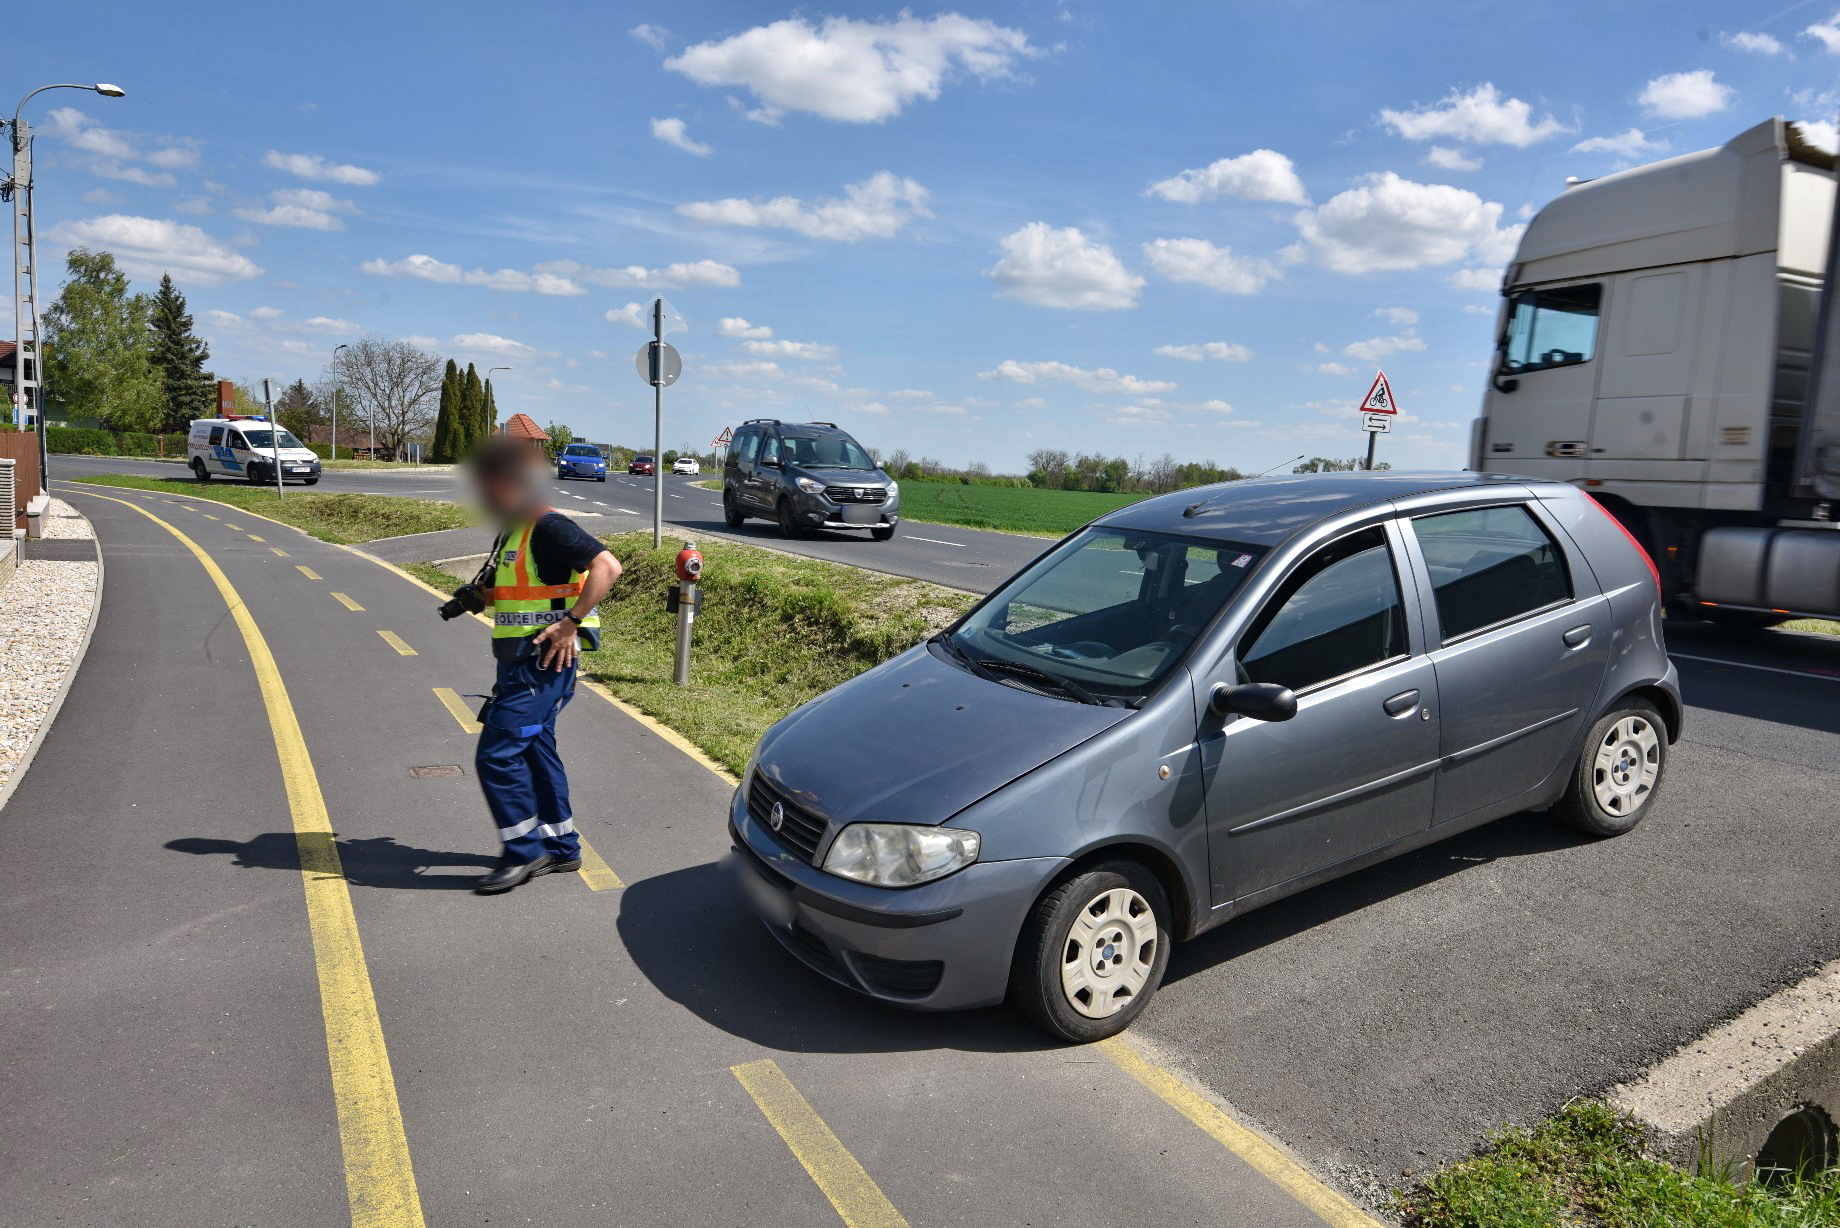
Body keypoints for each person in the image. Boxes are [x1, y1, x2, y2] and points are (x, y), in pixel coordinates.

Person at [466, 436, 622, 893]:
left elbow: (607, 567)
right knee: (535, 749)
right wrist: (478, 597)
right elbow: (523, 590)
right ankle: (560, 846)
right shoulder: (515, 530)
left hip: (543, 665)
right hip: (517, 664)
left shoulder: (548, 524)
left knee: (496, 755)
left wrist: (570, 624)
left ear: (501, 482)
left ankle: (524, 850)